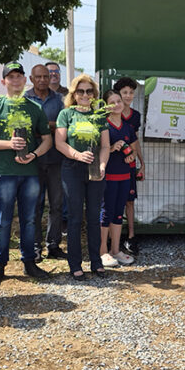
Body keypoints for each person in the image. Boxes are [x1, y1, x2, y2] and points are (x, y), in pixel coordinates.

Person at [0, 62, 52, 286]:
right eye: (11, 77)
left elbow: (47, 139)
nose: (16, 80)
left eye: (19, 76)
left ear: (24, 80)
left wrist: (35, 155)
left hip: (29, 172)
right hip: (4, 173)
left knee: (30, 219)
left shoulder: (34, 108)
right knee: (3, 221)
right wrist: (9, 144)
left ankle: (29, 261)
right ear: (4, 82)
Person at [54, 75, 111, 279]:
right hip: (72, 169)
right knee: (75, 218)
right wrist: (78, 155)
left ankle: (96, 262)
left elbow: (105, 146)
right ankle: (75, 264)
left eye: (89, 91)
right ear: (74, 94)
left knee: (94, 217)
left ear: (94, 94)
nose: (85, 95)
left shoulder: (99, 116)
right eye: (80, 91)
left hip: (95, 170)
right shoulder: (66, 114)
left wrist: (102, 164)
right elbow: (60, 143)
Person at [26, 64, 66, 261]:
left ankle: (53, 245)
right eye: (38, 77)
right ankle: (35, 247)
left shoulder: (59, 99)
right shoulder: (24, 99)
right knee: (35, 205)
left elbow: (62, 126)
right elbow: (24, 127)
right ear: (31, 79)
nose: (43, 79)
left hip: (56, 160)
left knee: (57, 204)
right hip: (32, 161)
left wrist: (41, 127)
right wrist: (49, 127)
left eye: (46, 76)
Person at [99, 90, 137, 267]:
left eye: (119, 101)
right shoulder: (103, 124)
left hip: (125, 175)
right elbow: (100, 149)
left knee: (118, 213)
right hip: (108, 175)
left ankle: (115, 250)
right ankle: (102, 251)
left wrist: (131, 157)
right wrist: (112, 147)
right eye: (112, 102)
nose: (116, 104)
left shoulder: (128, 127)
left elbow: (134, 150)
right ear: (106, 105)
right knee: (106, 212)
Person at [115, 76, 144, 255]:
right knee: (113, 201)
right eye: (124, 92)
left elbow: (135, 141)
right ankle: (114, 238)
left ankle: (131, 236)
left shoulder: (135, 116)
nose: (128, 95)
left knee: (129, 201)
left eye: (131, 92)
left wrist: (142, 162)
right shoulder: (109, 114)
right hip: (113, 162)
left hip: (129, 162)